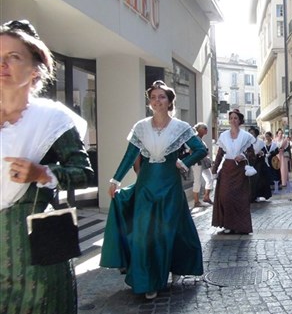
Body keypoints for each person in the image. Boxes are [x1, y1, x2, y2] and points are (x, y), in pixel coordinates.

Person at [0, 19, 94, 313]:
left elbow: (83, 172)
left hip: (36, 251)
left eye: (13, 57)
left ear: (35, 69)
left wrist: (40, 173)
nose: (3, 64)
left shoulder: (52, 120)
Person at [99, 80, 207, 300]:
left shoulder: (181, 127)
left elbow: (201, 149)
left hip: (170, 186)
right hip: (146, 186)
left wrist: (183, 163)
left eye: (162, 97)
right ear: (150, 102)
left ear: (169, 102)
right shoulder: (141, 126)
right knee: (145, 234)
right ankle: (149, 280)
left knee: (171, 230)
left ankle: (174, 266)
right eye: (154, 97)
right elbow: (130, 156)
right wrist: (116, 179)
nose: (157, 101)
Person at [211, 109, 256, 234]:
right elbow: (220, 154)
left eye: (235, 118)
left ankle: (240, 226)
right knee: (225, 196)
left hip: (240, 170)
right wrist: (214, 169)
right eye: (231, 118)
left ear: (240, 120)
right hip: (227, 169)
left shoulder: (246, 137)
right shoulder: (224, 136)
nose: (233, 120)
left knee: (240, 198)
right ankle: (228, 224)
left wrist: (243, 155)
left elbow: (252, 154)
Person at [192, 122, 213, 207]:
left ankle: (206, 197)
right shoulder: (195, 139)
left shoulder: (200, 140)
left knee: (209, 178)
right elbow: (192, 150)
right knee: (197, 181)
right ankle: (196, 201)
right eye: (204, 128)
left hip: (203, 162)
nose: (206, 130)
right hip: (197, 162)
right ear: (199, 129)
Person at [248, 127, 272, 202]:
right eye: (250, 133)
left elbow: (264, 151)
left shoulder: (260, 142)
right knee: (252, 180)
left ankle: (259, 195)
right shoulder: (247, 142)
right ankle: (252, 196)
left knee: (260, 180)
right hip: (251, 163)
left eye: (252, 133)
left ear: (255, 134)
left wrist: (262, 153)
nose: (251, 134)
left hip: (259, 163)